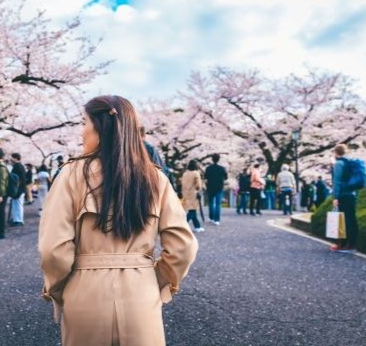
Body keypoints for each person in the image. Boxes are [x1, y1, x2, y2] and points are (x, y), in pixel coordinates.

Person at [39, 95, 198, 345]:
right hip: (141, 293)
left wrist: (58, 288)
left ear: (99, 127)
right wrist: (154, 278)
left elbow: (52, 250)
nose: (81, 132)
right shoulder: (156, 178)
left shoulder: (69, 174)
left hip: (84, 293)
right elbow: (183, 247)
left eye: (84, 123)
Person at [330, 144, 359, 253]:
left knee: (345, 220)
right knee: (351, 219)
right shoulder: (351, 163)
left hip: (343, 195)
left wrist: (335, 197)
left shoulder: (339, 164)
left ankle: (347, 245)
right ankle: (350, 244)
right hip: (352, 194)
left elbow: (337, 181)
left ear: (336, 153)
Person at [204, 153, 228, 225]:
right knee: (218, 204)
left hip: (210, 187)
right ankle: (217, 220)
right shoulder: (222, 168)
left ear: (212, 159)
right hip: (219, 187)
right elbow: (226, 177)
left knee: (211, 203)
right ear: (219, 159)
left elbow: (205, 177)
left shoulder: (208, 168)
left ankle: (211, 218)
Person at [181, 159, 204, 233]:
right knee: (192, 210)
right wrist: (198, 188)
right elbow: (198, 185)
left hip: (185, 192)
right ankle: (183, 225)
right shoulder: (196, 173)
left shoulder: (185, 173)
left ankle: (197, 226)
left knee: (192, 210)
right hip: (193, 193)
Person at [9, 153, 27, 227]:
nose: (11, 159)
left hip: (18, 189)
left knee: (18, 205)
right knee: (17, 205)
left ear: (16, 158)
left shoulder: (17, 167)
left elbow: (16, 179)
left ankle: (18, 220)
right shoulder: (20, 166)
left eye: (12, 158)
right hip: (21, 189)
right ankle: (16, 219)